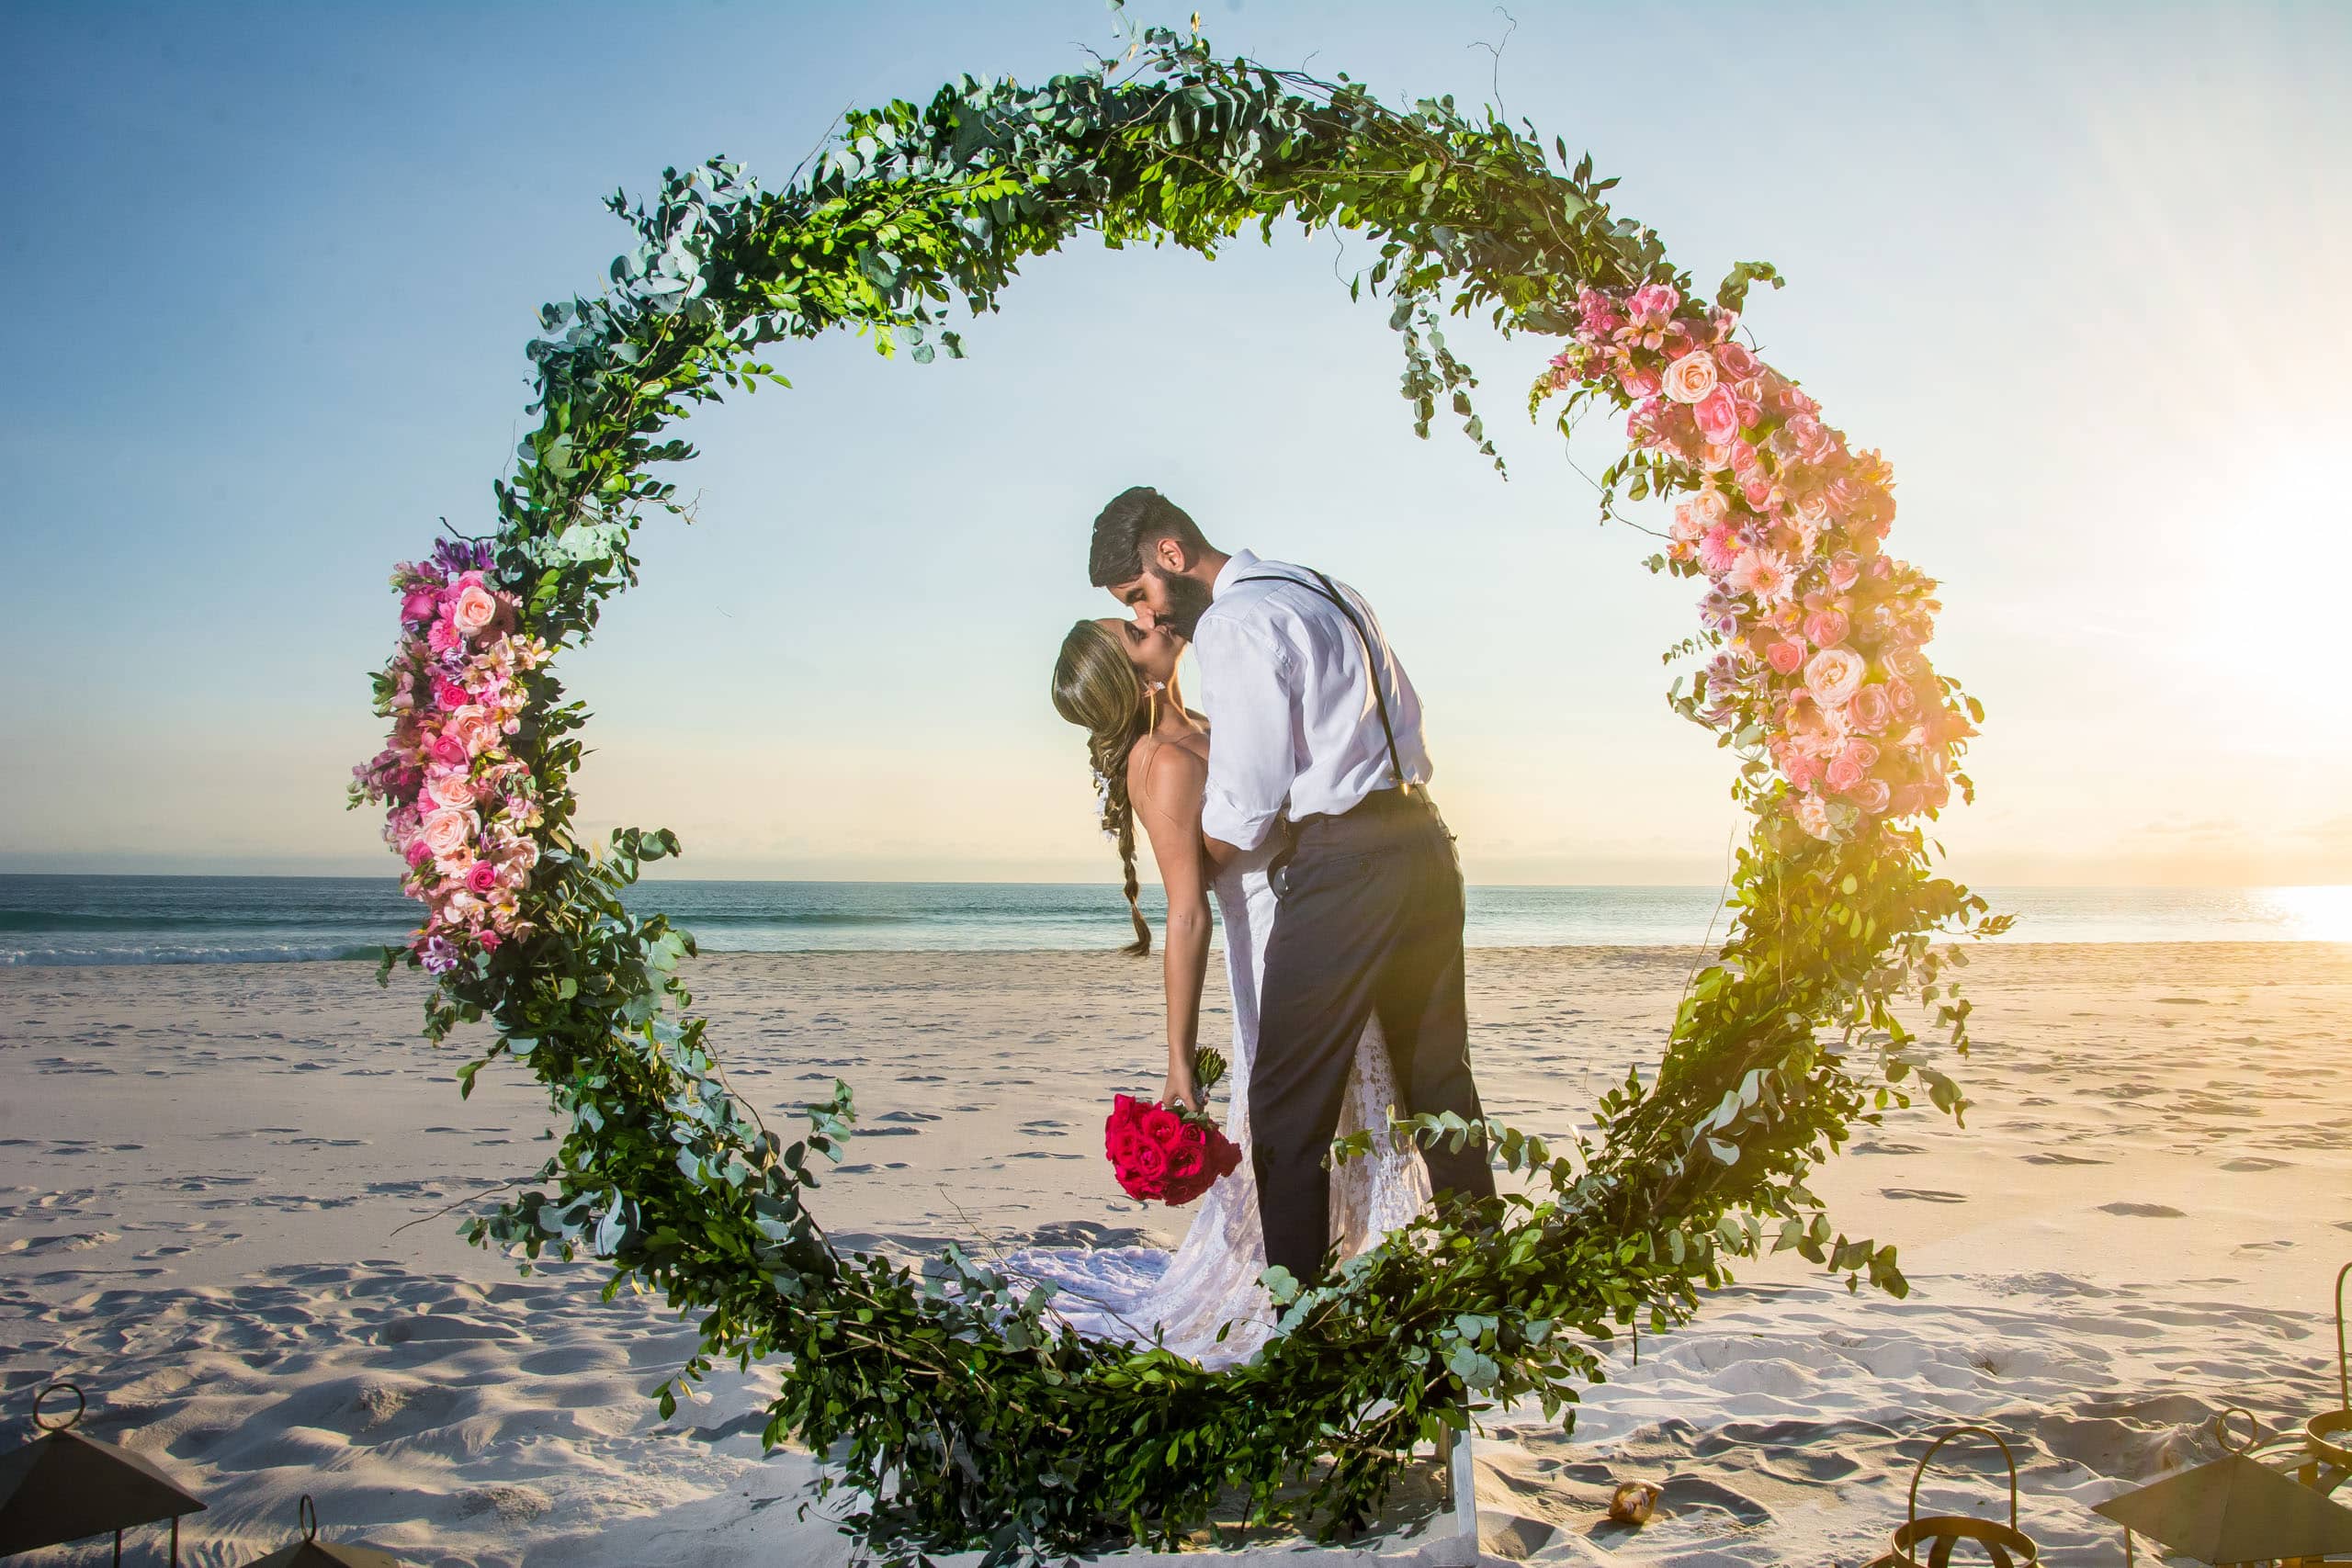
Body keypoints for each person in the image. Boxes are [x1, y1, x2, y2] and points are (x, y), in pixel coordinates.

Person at [1085, 485, 1498, 1289]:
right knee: (1440, 1078)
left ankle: (1297, 1321)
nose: (1153, 616)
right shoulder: (1324, 586)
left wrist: (1191, 855)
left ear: (1170, 556)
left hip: (1347, 863)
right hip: (1425, 842)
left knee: (1281, 1110)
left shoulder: (1234, 625)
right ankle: (1491, 1270)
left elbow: (1245, 805)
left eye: (1141, 596)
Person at [1016, 584, 1423, 1365]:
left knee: (1359, 1110)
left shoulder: (1209, 722)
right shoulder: (1164, 762)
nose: (1149, 620)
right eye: (1131, 631)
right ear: (1133, 680)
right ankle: (1304, 1302)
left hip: (1329, 917)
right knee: (1311, 1123)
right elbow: (1187, 913)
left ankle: (1352, 1279)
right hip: (1274, 944)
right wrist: (1178, 1056)